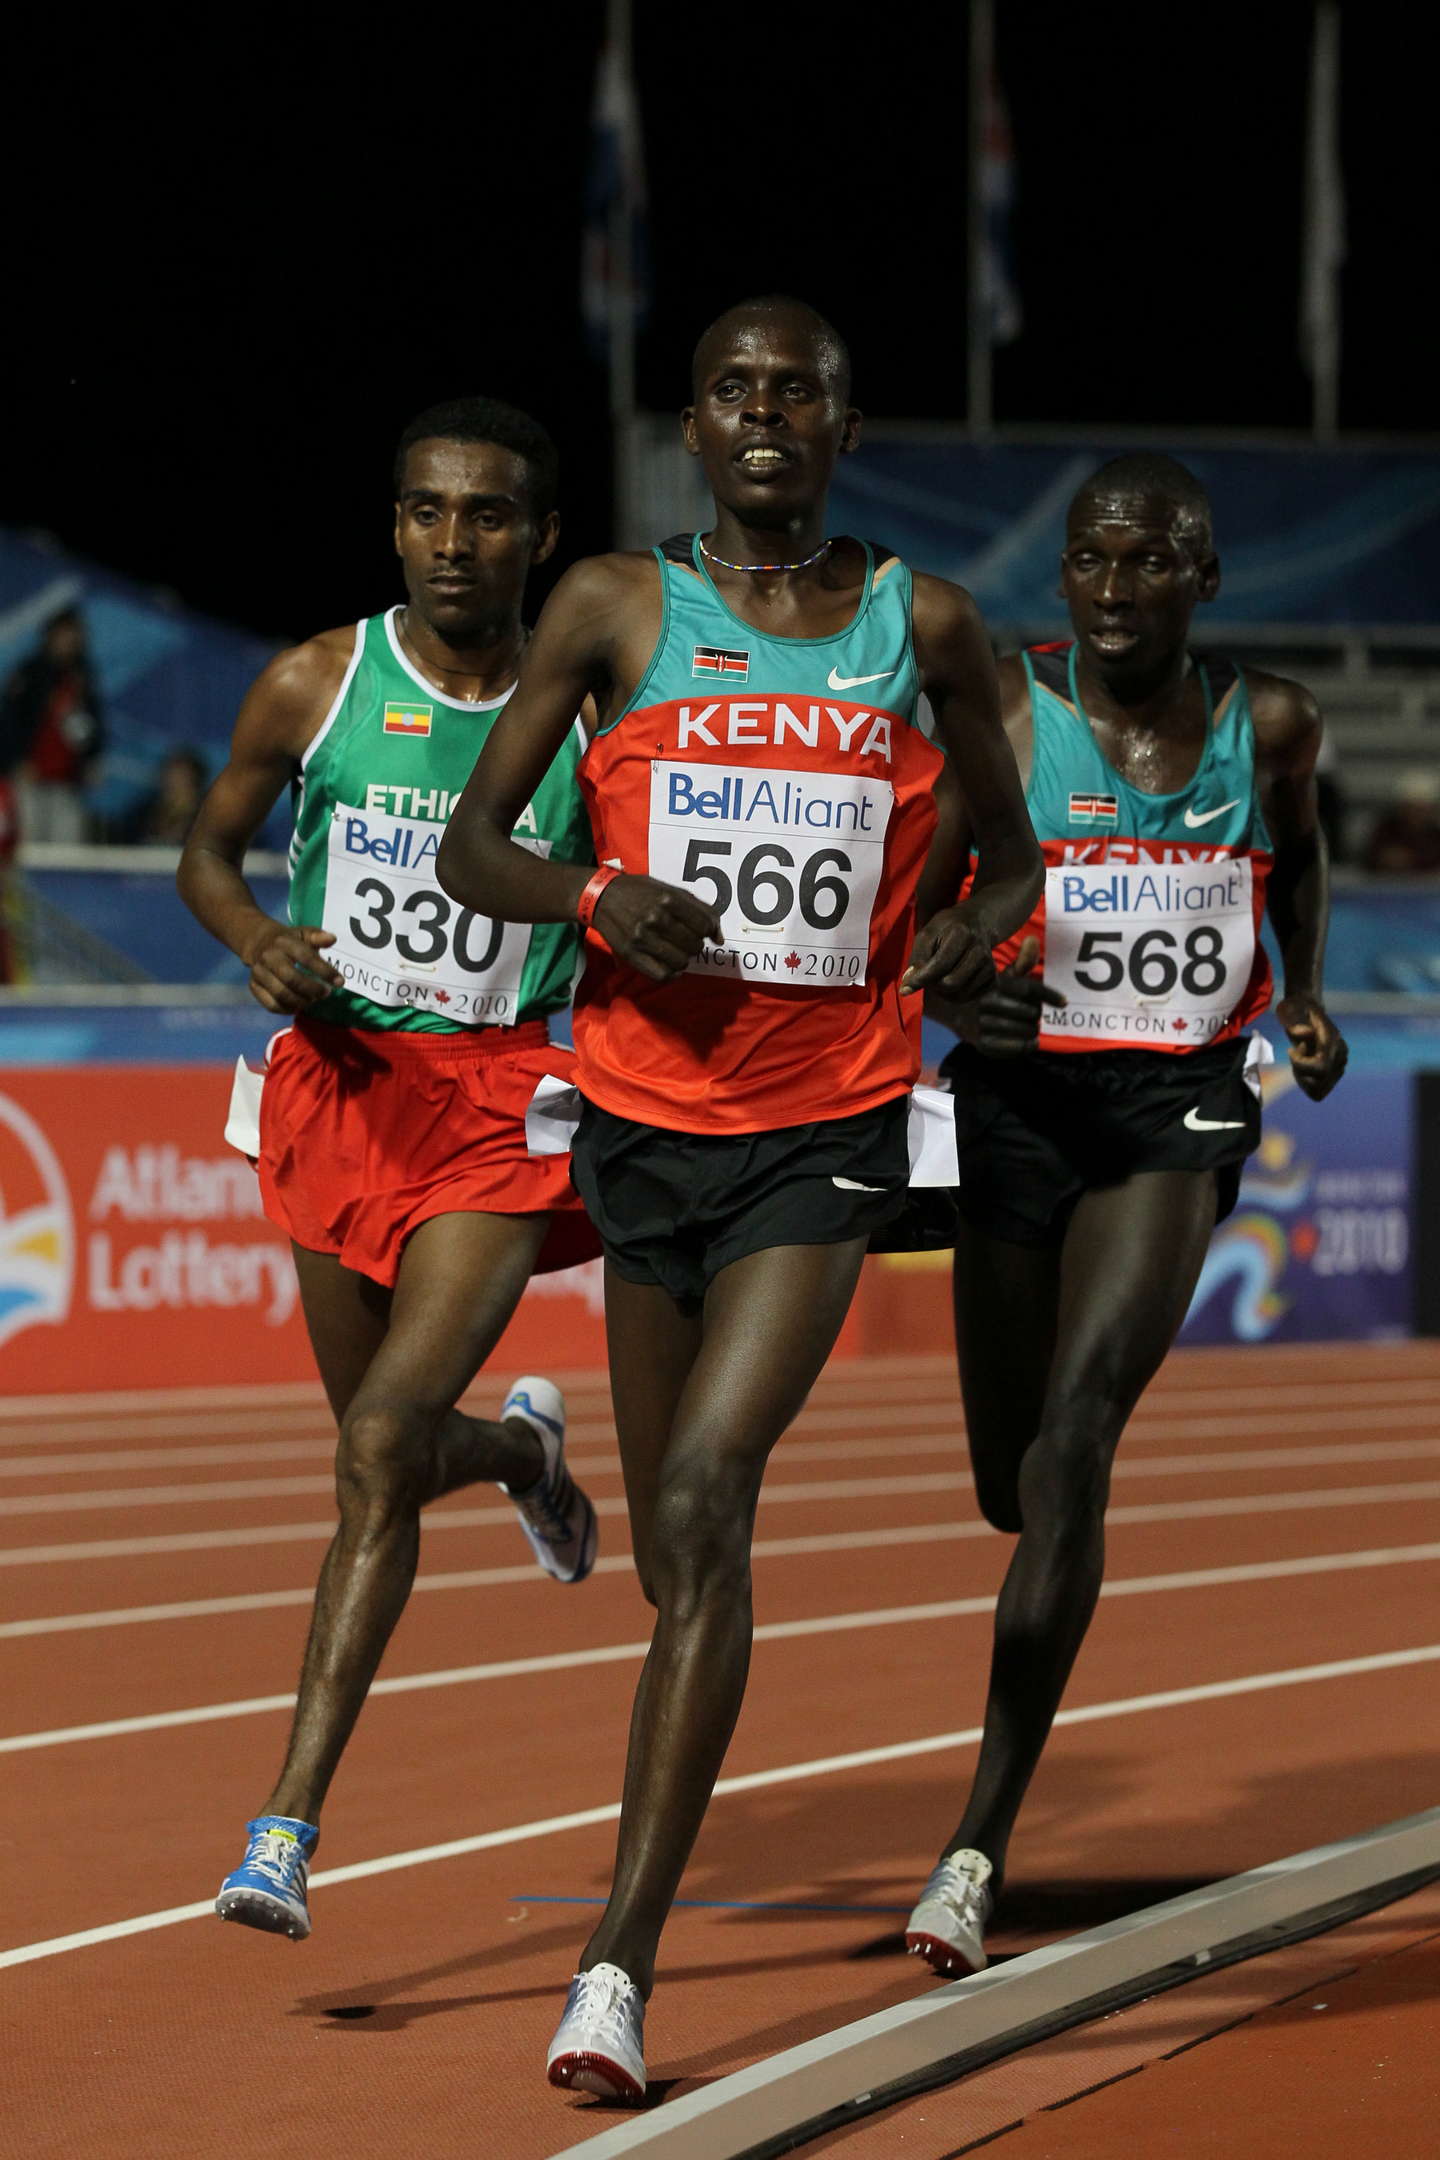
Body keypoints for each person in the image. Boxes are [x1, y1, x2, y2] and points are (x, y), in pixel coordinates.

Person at [437, 296, 1042, 2100]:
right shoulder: (614, 607)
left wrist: (966, 931)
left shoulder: (926, 625)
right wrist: (592, 901)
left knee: (708, 1488)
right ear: (692, 427)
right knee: (676, 1566)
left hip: (826, 1127)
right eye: (733, 389)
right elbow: (477, 846)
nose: (765, 411)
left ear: (847, 428)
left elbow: (1013, 860)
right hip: (644, 1125)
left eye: (799, 390)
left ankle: (614, 1972)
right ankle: (668, 1739)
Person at [904, 454, 1349, 1978]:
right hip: (1018, 1110)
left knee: (1080, 1432)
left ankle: (975, 1847)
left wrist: (1304, 994)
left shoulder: (1268, 723)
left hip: (1178, 1109)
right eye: (1092, 558)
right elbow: (920, 902)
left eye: (1149, 561)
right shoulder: (1006, 710)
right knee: (1011, 1483)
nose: (1114, 585)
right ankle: (1050, 1532)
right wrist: (954, 982)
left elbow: (1297, 856)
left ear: (1201, 578)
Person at [178, 396, 601, 1942]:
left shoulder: (589, 716)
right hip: (338, 1091)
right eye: (426, 510)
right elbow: (207, 852)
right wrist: (257, 939)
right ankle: (526, 1460)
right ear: (395, 524)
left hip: (492, 1103)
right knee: (387, 1455)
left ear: (540, 539)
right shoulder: (320, 680)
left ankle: (281, 1832)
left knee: (373, 1446)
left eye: (486, 516)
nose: (451, 541)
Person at [0, 606, 105, 843]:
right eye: (63, 634)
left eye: (73, 635)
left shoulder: (83, 676)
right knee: (26, 844)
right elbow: (10, 722)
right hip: (30, 778)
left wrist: (92, 757)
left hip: (68, 781)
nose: (68, 641)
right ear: (50, 635)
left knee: (67, 848)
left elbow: (93, 723)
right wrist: (17, 760)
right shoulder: (30, 672)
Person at [121, 745, 209, 846]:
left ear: (195, 781)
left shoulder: (206, 817)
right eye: (170, 776)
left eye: (181, 778)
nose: (173, 783)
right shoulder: (144, 812)